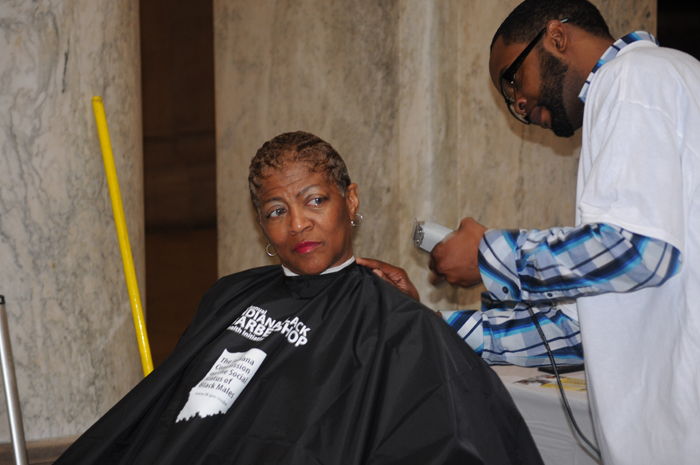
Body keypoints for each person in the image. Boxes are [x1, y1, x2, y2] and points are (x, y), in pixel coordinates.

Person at [55, 131, 544, 465]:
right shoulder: (229, 296)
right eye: (276, 211)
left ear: (350, 200)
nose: (297, 224)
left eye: (315, 200)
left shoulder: (397, 320)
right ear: (261, 224)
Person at [366, 1, 700, 464]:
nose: (518, 105)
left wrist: (487, 255)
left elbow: (639, 251)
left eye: (513, 79)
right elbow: (578, 329)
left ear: (556, 37)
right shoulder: (647, 83)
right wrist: (426, 325)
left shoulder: (634, 77)